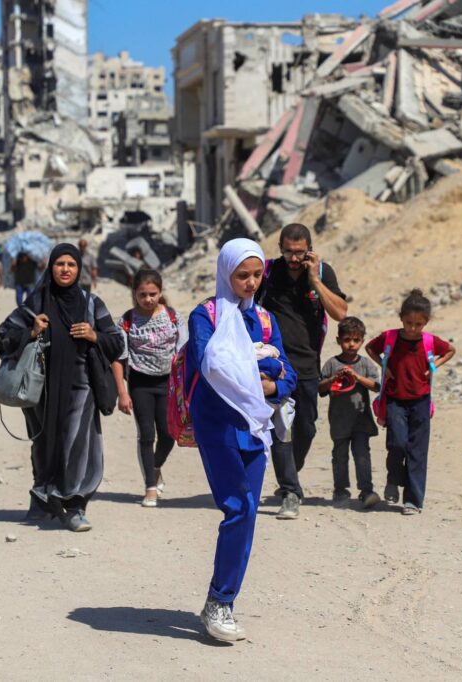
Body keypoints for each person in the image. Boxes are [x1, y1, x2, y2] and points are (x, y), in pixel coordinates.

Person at [188, 238, 296, 642]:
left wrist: (271, 383)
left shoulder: (264, 319)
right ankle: (219, 602)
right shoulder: (206, 316)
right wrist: (261, 368)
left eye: (256, 275)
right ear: (225, 274)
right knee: (239, 507)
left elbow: (287, 372)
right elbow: (212, 366)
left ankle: (222, 602)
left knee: (248, 513)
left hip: (254, 428)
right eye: (241, 275)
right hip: (218, 426)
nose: (250, 283)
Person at [0, 244, 123, 532]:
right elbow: (2, 337)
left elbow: (117, 342)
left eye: (71, 265)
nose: (65, 269)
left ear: (79, 269)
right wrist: (30, 331)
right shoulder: (35, 302)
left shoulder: (91, 304)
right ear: (50, 267)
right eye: (60, 264)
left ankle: (75, 505)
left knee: (77, 443)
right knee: (43, 444)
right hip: (40, 390)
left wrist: (94, 335)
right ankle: (42, 498)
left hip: (82, 387)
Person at [257, 222, 347, 519]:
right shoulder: (269, 272)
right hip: (277, 366)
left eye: (299, 252)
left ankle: (290, 473)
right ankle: (291, 491)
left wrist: (315, 280)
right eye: (288, 252)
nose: (294, 259)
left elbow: (340, 312)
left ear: (310, 250)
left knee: (306, 427)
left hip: (309, 365)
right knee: (282, 427)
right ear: (280, 249)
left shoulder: (322, 272)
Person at [365, 289, 456, 515]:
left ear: (426, 322)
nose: (413, 328)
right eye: (409, 323)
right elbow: (370, 348)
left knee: (418, 452)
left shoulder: (429, 341)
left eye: (418, 324)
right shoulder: (390, 337)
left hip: (421, 402)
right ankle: (394, 479)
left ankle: (413, 501)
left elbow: (450, 350)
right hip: (395, 400)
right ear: (401, 318)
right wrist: (384, 367)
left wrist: (433, 366)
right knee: (397, 444)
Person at [111, 268, 183, 507]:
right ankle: (150, 488)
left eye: (153, 294)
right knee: (146, 435)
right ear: (134, 294)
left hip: (168, 383)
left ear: (160, 292)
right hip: (140, 383)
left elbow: (184, 352)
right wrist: (122, 392)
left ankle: (154, 466)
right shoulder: (127, 321)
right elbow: (118, 358)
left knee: (168, 434)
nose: (148, 299)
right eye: (142, 294)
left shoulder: (173, 316)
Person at [318, 316, 381, 508]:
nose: (351, 344)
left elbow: (376, 386)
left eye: (356, 340)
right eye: (347, 340)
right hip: (339, 421)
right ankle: (340, 490)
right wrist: (333, 379)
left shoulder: (365, 364)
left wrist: (356, 377)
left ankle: (366, 491)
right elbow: (320, 389)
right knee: (340, 456)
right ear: (338, 340)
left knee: (362, 455)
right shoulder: (332, 364)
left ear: (362, 341)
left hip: (361, 421)